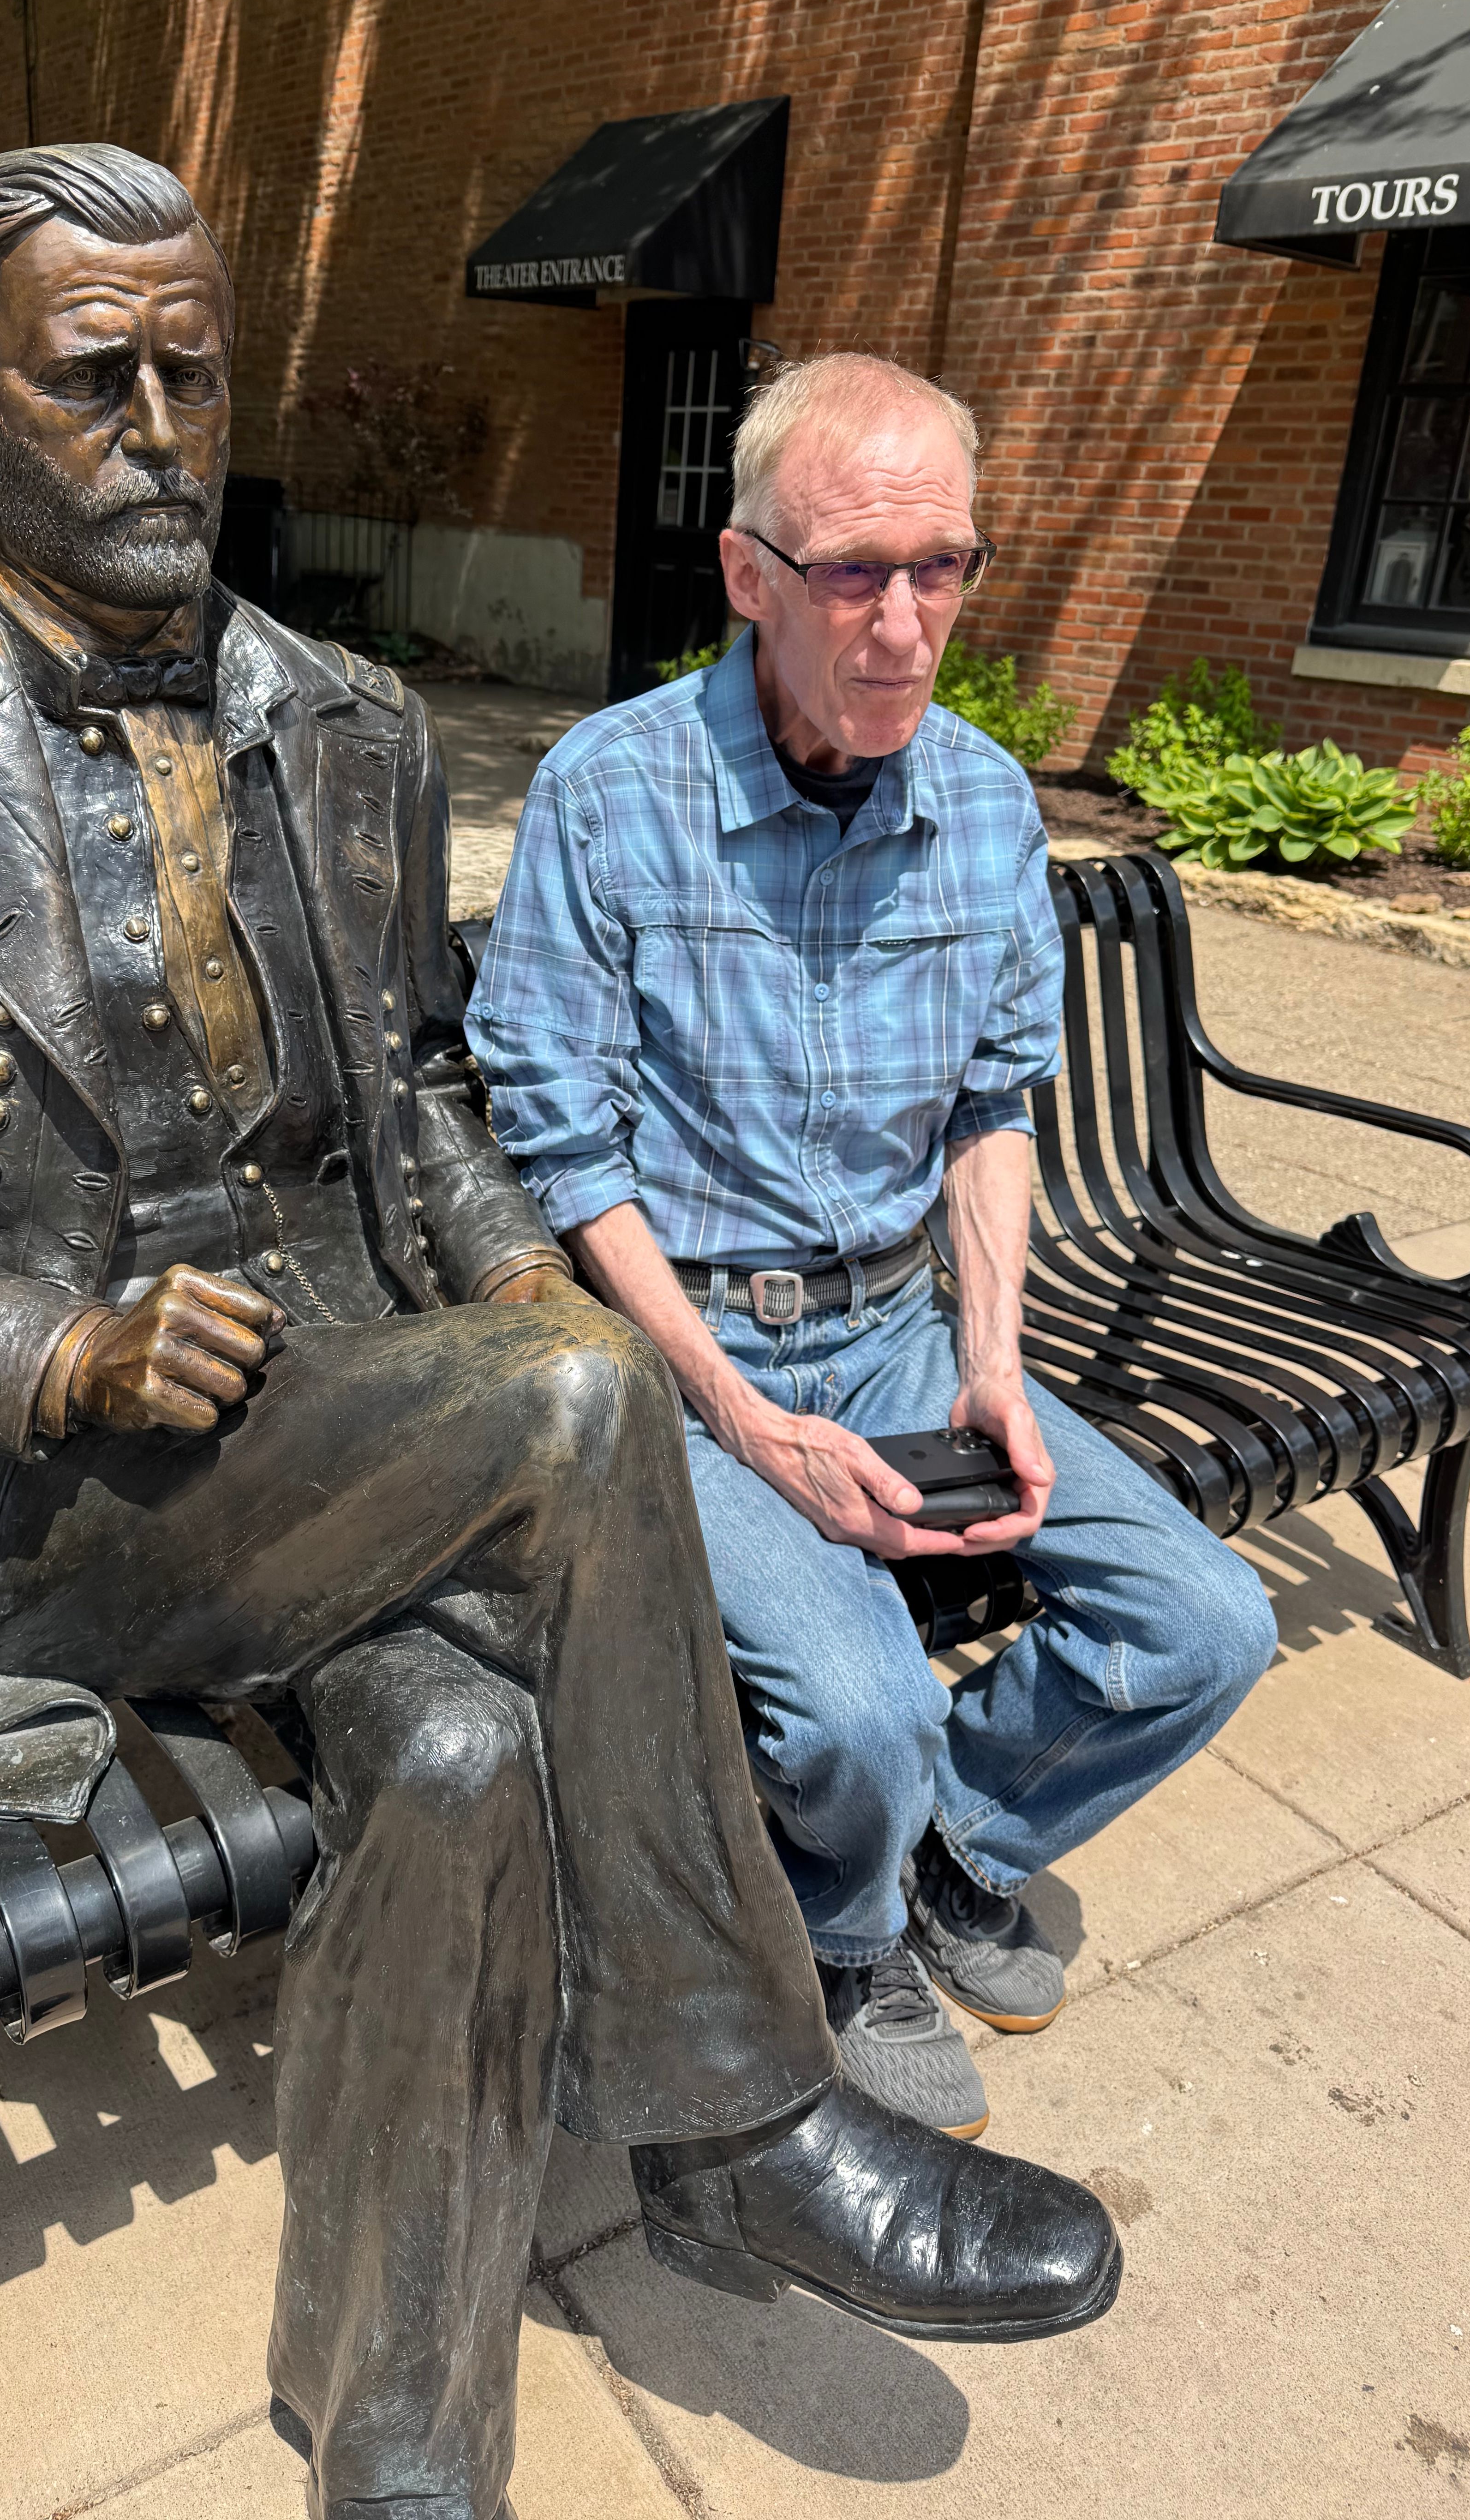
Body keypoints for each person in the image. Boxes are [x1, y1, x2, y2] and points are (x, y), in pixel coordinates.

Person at [0, 168, 1120, 2520]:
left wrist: (508, 1255)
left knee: (449, 1747)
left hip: (362, 1430)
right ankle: (735, 2104)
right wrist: (54, 1348)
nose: (159, 428)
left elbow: (415, 1092)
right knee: (575, 1399)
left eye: (194, 371)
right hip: (56, 1509)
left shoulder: (335, 718)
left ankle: (395, 2424)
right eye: (87, 376)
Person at [469, 350, 1278, 2146]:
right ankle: (844, 1943)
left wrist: (991, 1361)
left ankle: (952, 1857)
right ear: (751, 572)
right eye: (856, 572)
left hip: (907, 1335)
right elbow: (567, 1158)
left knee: (1206, 1625)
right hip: (685, 1371)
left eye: (945, 567)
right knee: (858, 1712)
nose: (908, 624)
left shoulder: (985, 802)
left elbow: (999, 1105)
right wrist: (750, 1430)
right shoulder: (611, 797)